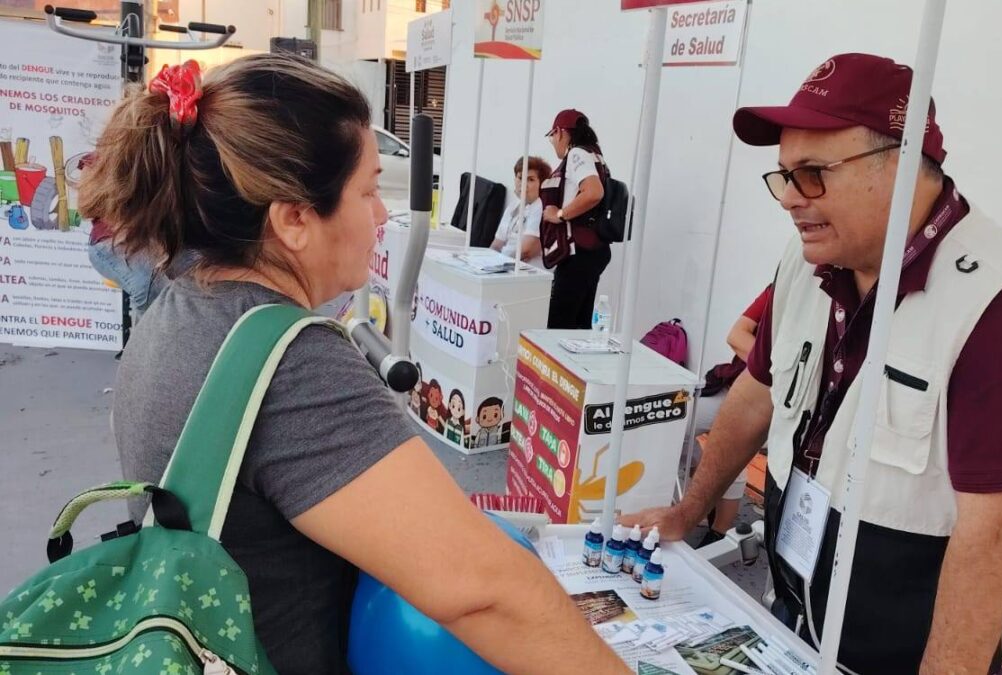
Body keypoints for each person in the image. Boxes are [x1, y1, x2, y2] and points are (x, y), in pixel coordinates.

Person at [80, 54, 627, 675]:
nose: (381, 216)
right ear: (293, 219)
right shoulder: (289, 361)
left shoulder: (181, 306)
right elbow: (485, 589)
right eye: (367, 191)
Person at [621, 53, 1002, 674]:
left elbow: (995, 534)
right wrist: (688, 509)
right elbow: (758, 391)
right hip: (794, 613)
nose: (788, 199)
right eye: (782, 175)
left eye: (812, 173)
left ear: (902, 165)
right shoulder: (807, 259)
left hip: (902, 657)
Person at [695, 284, 774, 546]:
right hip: (733, 385)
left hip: (770, 403)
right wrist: (777, 369)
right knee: (677, 421)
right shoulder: (777, 288)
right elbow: (736, 336)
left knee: (730, 447)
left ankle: (719, 532)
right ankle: (699, 492)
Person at [540, 109, 611, 329]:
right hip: (594, 249)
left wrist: (560, 215)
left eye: (552, 135)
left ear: (560, 132)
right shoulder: (595, 154)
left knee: (558, 326)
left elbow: (593, 192)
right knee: (579, 327)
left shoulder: (577, 154)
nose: (552, 142)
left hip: (577, 252)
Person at [490, 156, 550, 267]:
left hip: (526, 272)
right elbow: (497, 244)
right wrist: (487, 262)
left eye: (530, 179)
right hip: (503, 266)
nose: (523, 184)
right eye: (520, 178)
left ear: (542, 184)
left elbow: (525, 251)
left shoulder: (541, 207)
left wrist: (498, 264)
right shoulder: (513, 206)